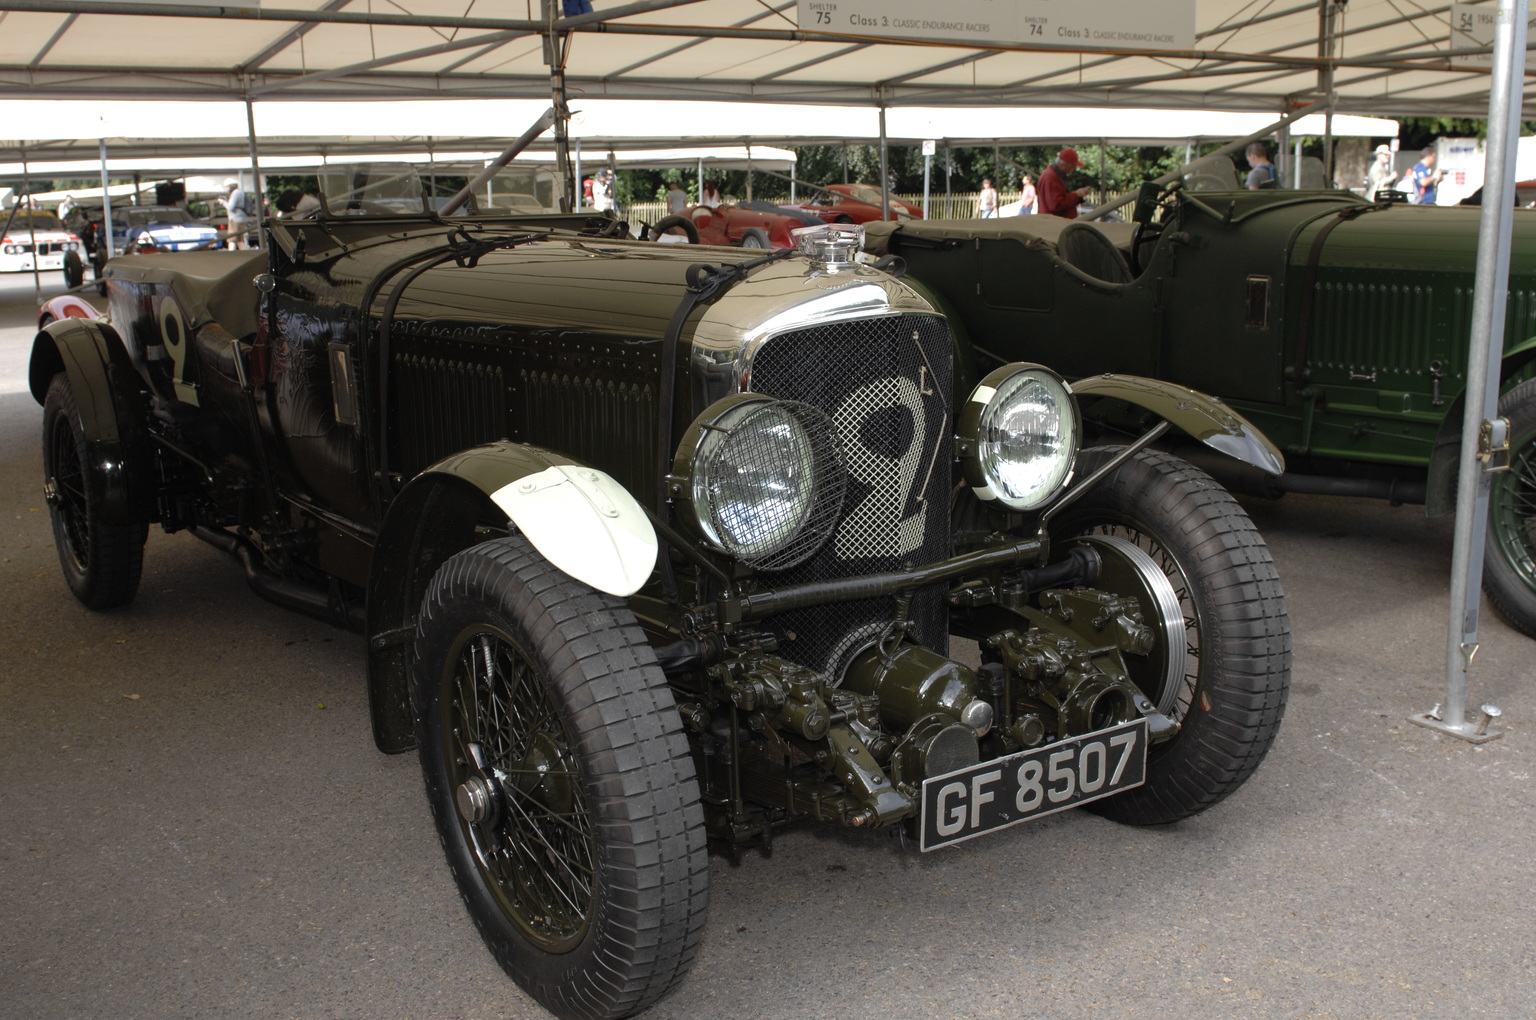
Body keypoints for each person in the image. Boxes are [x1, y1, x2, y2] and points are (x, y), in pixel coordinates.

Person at [1037, 148, 1092, 219]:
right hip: (1054, 224)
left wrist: (1076, 195)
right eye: (1073, 165)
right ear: (1065, 163)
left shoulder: (1053, 175)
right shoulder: (1050, 176)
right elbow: (1056, 204)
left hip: (1056, 222)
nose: (1074, 168)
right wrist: (1076, 195)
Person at [221, 178, 254, 249]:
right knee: (240, 239)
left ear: (230, 186)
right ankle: (244, 255)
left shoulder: (235, 193)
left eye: (227, 187)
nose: (226, 189)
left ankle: (231, 256)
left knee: (232, 239)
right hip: (242, 218)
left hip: (235, 219)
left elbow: (230, 207)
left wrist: (223, 202)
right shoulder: (240, 192)